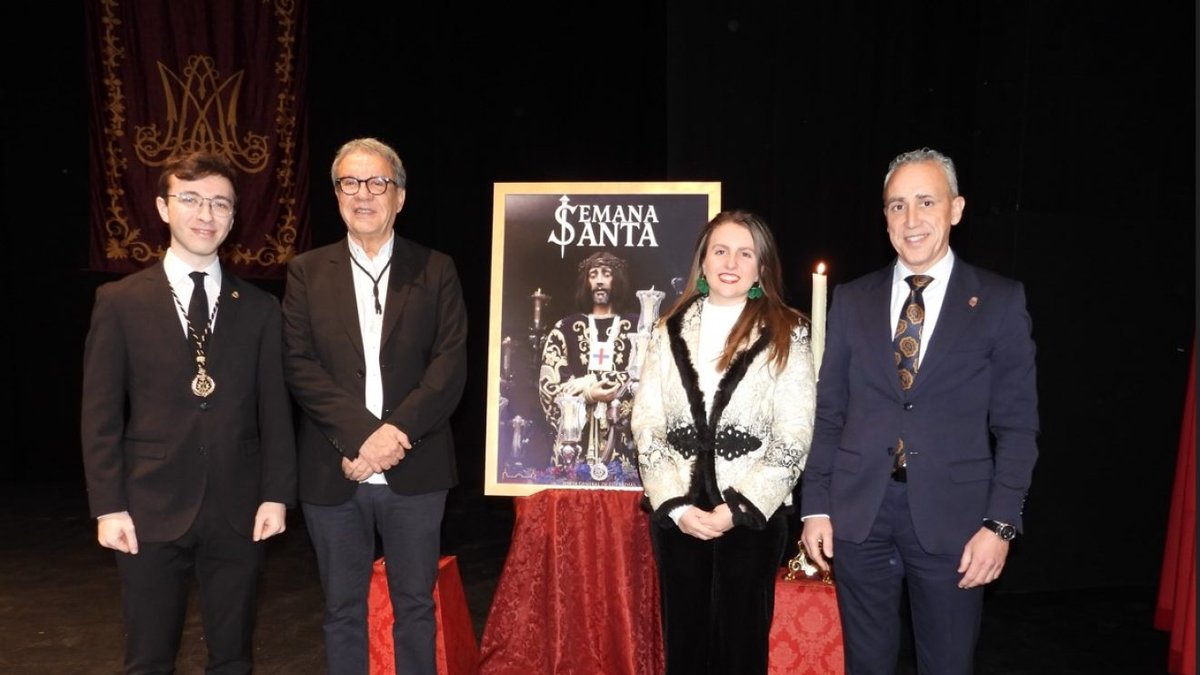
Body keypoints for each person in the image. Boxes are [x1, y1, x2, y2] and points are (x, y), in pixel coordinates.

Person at [800, 147, 1040, 674]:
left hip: (956, 522)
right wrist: (815, 504)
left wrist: (1000, 524)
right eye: (897, 205)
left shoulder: (999, 301)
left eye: (926, 202)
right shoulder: (853, 299)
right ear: (885, 217)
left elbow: (1018, 427)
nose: (911, 219)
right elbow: (829, 411)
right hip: (858, 516)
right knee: (866, 665)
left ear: (956, 209)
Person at [80, 151, 296, 674]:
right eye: (192, 199)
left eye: (220, 204)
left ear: (233, 216)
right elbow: (100, 414)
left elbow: (276, 410)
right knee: (148, 659)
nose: (206, 214)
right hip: (147, 507)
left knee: (233, 658)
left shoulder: (261, 308)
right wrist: (108, 507)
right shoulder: (120, 301)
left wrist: (276, 494)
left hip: (240, 508)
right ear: (163, 207)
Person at [282, 137, 468, 675]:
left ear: (400, 196)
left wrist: (393, 436)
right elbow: (299, 365)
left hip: (417, 468)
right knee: (342, 612)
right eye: (350, 182)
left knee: (415, 609)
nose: (363, 194)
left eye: (377, 182)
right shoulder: (306, 271)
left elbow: (449, 366)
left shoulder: (435, 269)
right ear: (337, 195)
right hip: (334, 469)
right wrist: (362, 438)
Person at [632, 209, 816, 675]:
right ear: (703, 260)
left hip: (751, 518)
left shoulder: (788, 331)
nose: (731, 262)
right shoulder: (666, 329)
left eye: (745, 253)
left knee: (741, 651)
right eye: (721, 250)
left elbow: (795, 433)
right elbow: (646, 422)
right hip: (680, 517)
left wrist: (738, 509)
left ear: (761, 267)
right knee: (685, 650)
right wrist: (675, 506)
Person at [538, 250, 637, 470]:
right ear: (586, 282)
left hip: (624, 447)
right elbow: (548, 387)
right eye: (593, 275)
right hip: (574, 447)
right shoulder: (564, 328)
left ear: (618, 280)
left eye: (606, 274)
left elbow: (645, 376)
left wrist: (589, 379)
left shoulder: (638, 327)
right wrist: (587, 394)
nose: (599, 281)